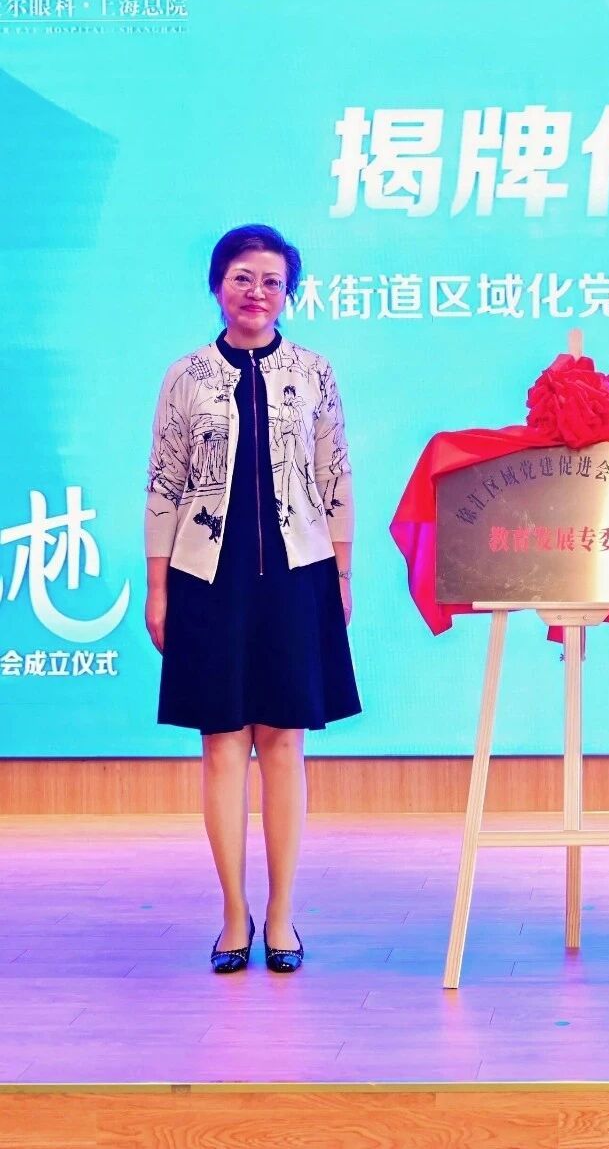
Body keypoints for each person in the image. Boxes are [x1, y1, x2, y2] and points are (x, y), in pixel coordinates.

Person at [144, 224, 360, 973]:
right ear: (217, 286)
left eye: (272, 281)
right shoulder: (186, 376)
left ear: (288, 293)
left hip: (299, 572)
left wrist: (341, 574)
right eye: (242, 277)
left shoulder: (314, 372)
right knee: (223, 743)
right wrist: (158, 585)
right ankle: (233, 913)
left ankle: (282, 916)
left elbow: (336, 475)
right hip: (207, 576)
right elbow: (163, 483)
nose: (257, 292)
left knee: (285, 742)